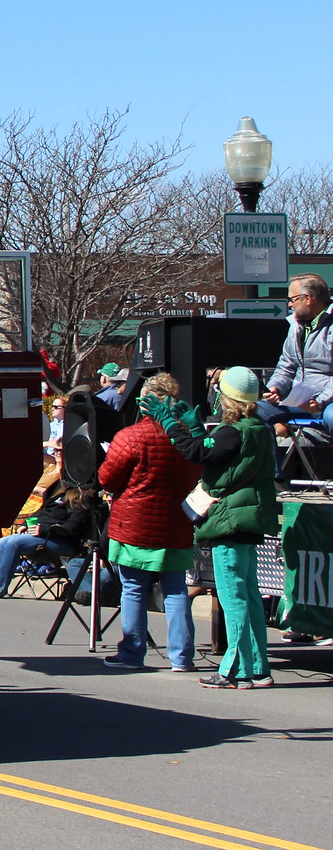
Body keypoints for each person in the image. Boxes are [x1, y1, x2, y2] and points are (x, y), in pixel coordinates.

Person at [166, 367, 280, 689]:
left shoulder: (233, 430)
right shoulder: (258, 427)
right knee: (249, 595)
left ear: (227, 397)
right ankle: (258, 667)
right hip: (247, 520)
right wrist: (195, 428)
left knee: (234, 598)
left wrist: (172, 427)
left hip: (229, 521)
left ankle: (235, 670)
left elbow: (199, 453)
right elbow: (215, 454)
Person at [96, 373, 204, 672]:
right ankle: (182, 657)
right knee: (176, 590)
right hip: (176, 523)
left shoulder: (130, 436)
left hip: (134, 524)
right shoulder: (186, 439)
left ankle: (132, 654)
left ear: (144, 402)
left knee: (133, 588)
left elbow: (107, 478)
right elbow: (197, 473)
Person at [264, 273, 332, 419]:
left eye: (292, 299)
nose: (290, 304)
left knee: (331, 417)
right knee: (254, 411)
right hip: (297, 400)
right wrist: (275, 388)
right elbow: (286, 366)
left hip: (327, 401)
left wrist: (319, 401)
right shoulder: (295, 327)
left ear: (307, 299)